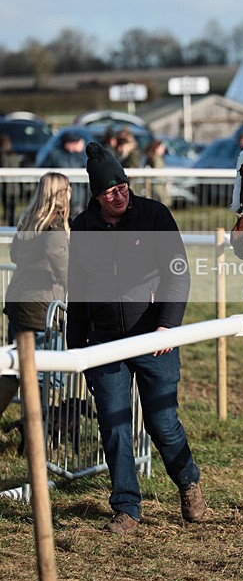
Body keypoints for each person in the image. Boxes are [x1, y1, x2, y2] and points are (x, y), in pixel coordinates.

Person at [67, 141, 205, 534]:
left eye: (123, 186)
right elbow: (77, 289)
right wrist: (76, 349)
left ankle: (188, 481)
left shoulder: (154, 215)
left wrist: (168, 324)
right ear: (96, 196)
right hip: (104, 342)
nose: (120, 194)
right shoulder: (82, 227)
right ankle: (126, 507)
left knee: (163, 424)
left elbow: (178, 273)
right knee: (114, 424)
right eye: (111, 191)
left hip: (153, 338)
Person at [0, 173, 71, 420]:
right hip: (42, 309)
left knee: (13, 368)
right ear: (63, 193)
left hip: (18, 301)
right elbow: (62, 266)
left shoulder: (28, 222)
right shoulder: (55, 226)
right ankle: (40, 435)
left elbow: (15, 256)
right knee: (49, 375)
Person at [40, 131, 88, 217]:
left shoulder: (82, 157)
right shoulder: (54, 155)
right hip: (58, 197)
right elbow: (43, 171)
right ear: (69, 143)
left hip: (78, 198)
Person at [0, 134, 21, 226]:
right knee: (12, 208)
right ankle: (11, 224)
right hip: (14, 186)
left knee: (8, 208)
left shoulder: (3, 155)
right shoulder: (14, 155)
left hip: (7, 186)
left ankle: (10, 223)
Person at [144, 139, 171, 206]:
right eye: (161, 147)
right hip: (158, 186)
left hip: (155, 186)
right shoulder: (157, 158)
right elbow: (159, 174)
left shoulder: (151, 157)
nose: (163, 149)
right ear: (156, 148)